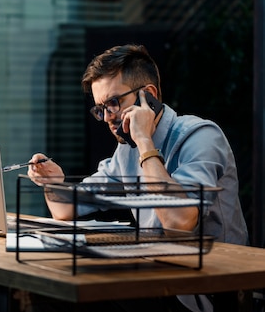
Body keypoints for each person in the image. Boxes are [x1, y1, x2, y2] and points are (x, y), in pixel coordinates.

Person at [26, 44, 248, 312]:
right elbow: (66, 209)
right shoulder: (126, 151)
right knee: (47, 286)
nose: (107, 117)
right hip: (155, 280)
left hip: (206, 293)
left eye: (113, 103)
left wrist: (144, 140)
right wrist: (53, 183)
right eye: (100, 108)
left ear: (148, 96)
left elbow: (179, 222)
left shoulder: (201, 136)